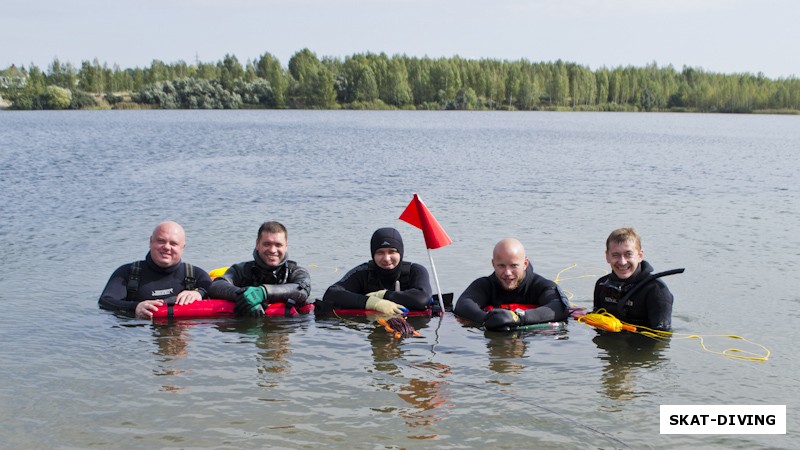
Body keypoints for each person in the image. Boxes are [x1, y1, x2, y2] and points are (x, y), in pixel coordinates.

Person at [99, 221, 212, 319]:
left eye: (173, 243)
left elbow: (215, 290)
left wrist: (199, 293)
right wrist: (135, 307)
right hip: (140, 335)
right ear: (151, 242)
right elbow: (106, 301)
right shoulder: (127, 273)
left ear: (183, 247)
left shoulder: (195, 274)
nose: (167, 247)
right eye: (161, 241)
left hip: (181, 332)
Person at [454, 238, 569, 331]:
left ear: (525, 264)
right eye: (501, 266)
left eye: (514, 266)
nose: (508, 273)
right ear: (493, 264)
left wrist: (518, 318)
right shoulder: (485, 285)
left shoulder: (540, 285)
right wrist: (488, 319)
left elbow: (559, 307)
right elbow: (463, 305)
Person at [209, 221, 310, 317]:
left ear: (286, 246)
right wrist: (244, 296)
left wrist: (263, 292)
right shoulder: (241, 270)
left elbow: (303, 290)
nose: (272, 250)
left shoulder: (296, 272)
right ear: (257, 244)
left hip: (285, 326)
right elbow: (216, 285)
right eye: (267, 244)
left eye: (278, 245)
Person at [321, 227, 433, 314]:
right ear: (373, 254)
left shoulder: (415, 271)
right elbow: (331, 294)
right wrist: (371, 303)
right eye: (380, 252)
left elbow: (422, 299)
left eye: (392, 252)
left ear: (401, 253)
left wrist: (382, 295)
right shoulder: (363, 272)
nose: (386, 258)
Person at [593, 227, 676, 331]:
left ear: (640, 255)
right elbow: (596, 321)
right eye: (616, 255)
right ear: (607, 257)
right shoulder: (602, 284)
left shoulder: (657, 290)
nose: (622, 262)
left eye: (628, 254)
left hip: (641, 344)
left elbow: (661, 338)